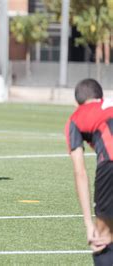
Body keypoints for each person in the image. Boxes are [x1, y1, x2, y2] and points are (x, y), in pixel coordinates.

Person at [65, 78, 113, 265]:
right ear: (100, 97)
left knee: (102, 240)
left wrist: (88, 224)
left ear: (78, 102)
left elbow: (80, 172)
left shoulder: (75, 118)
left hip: (109, 164)